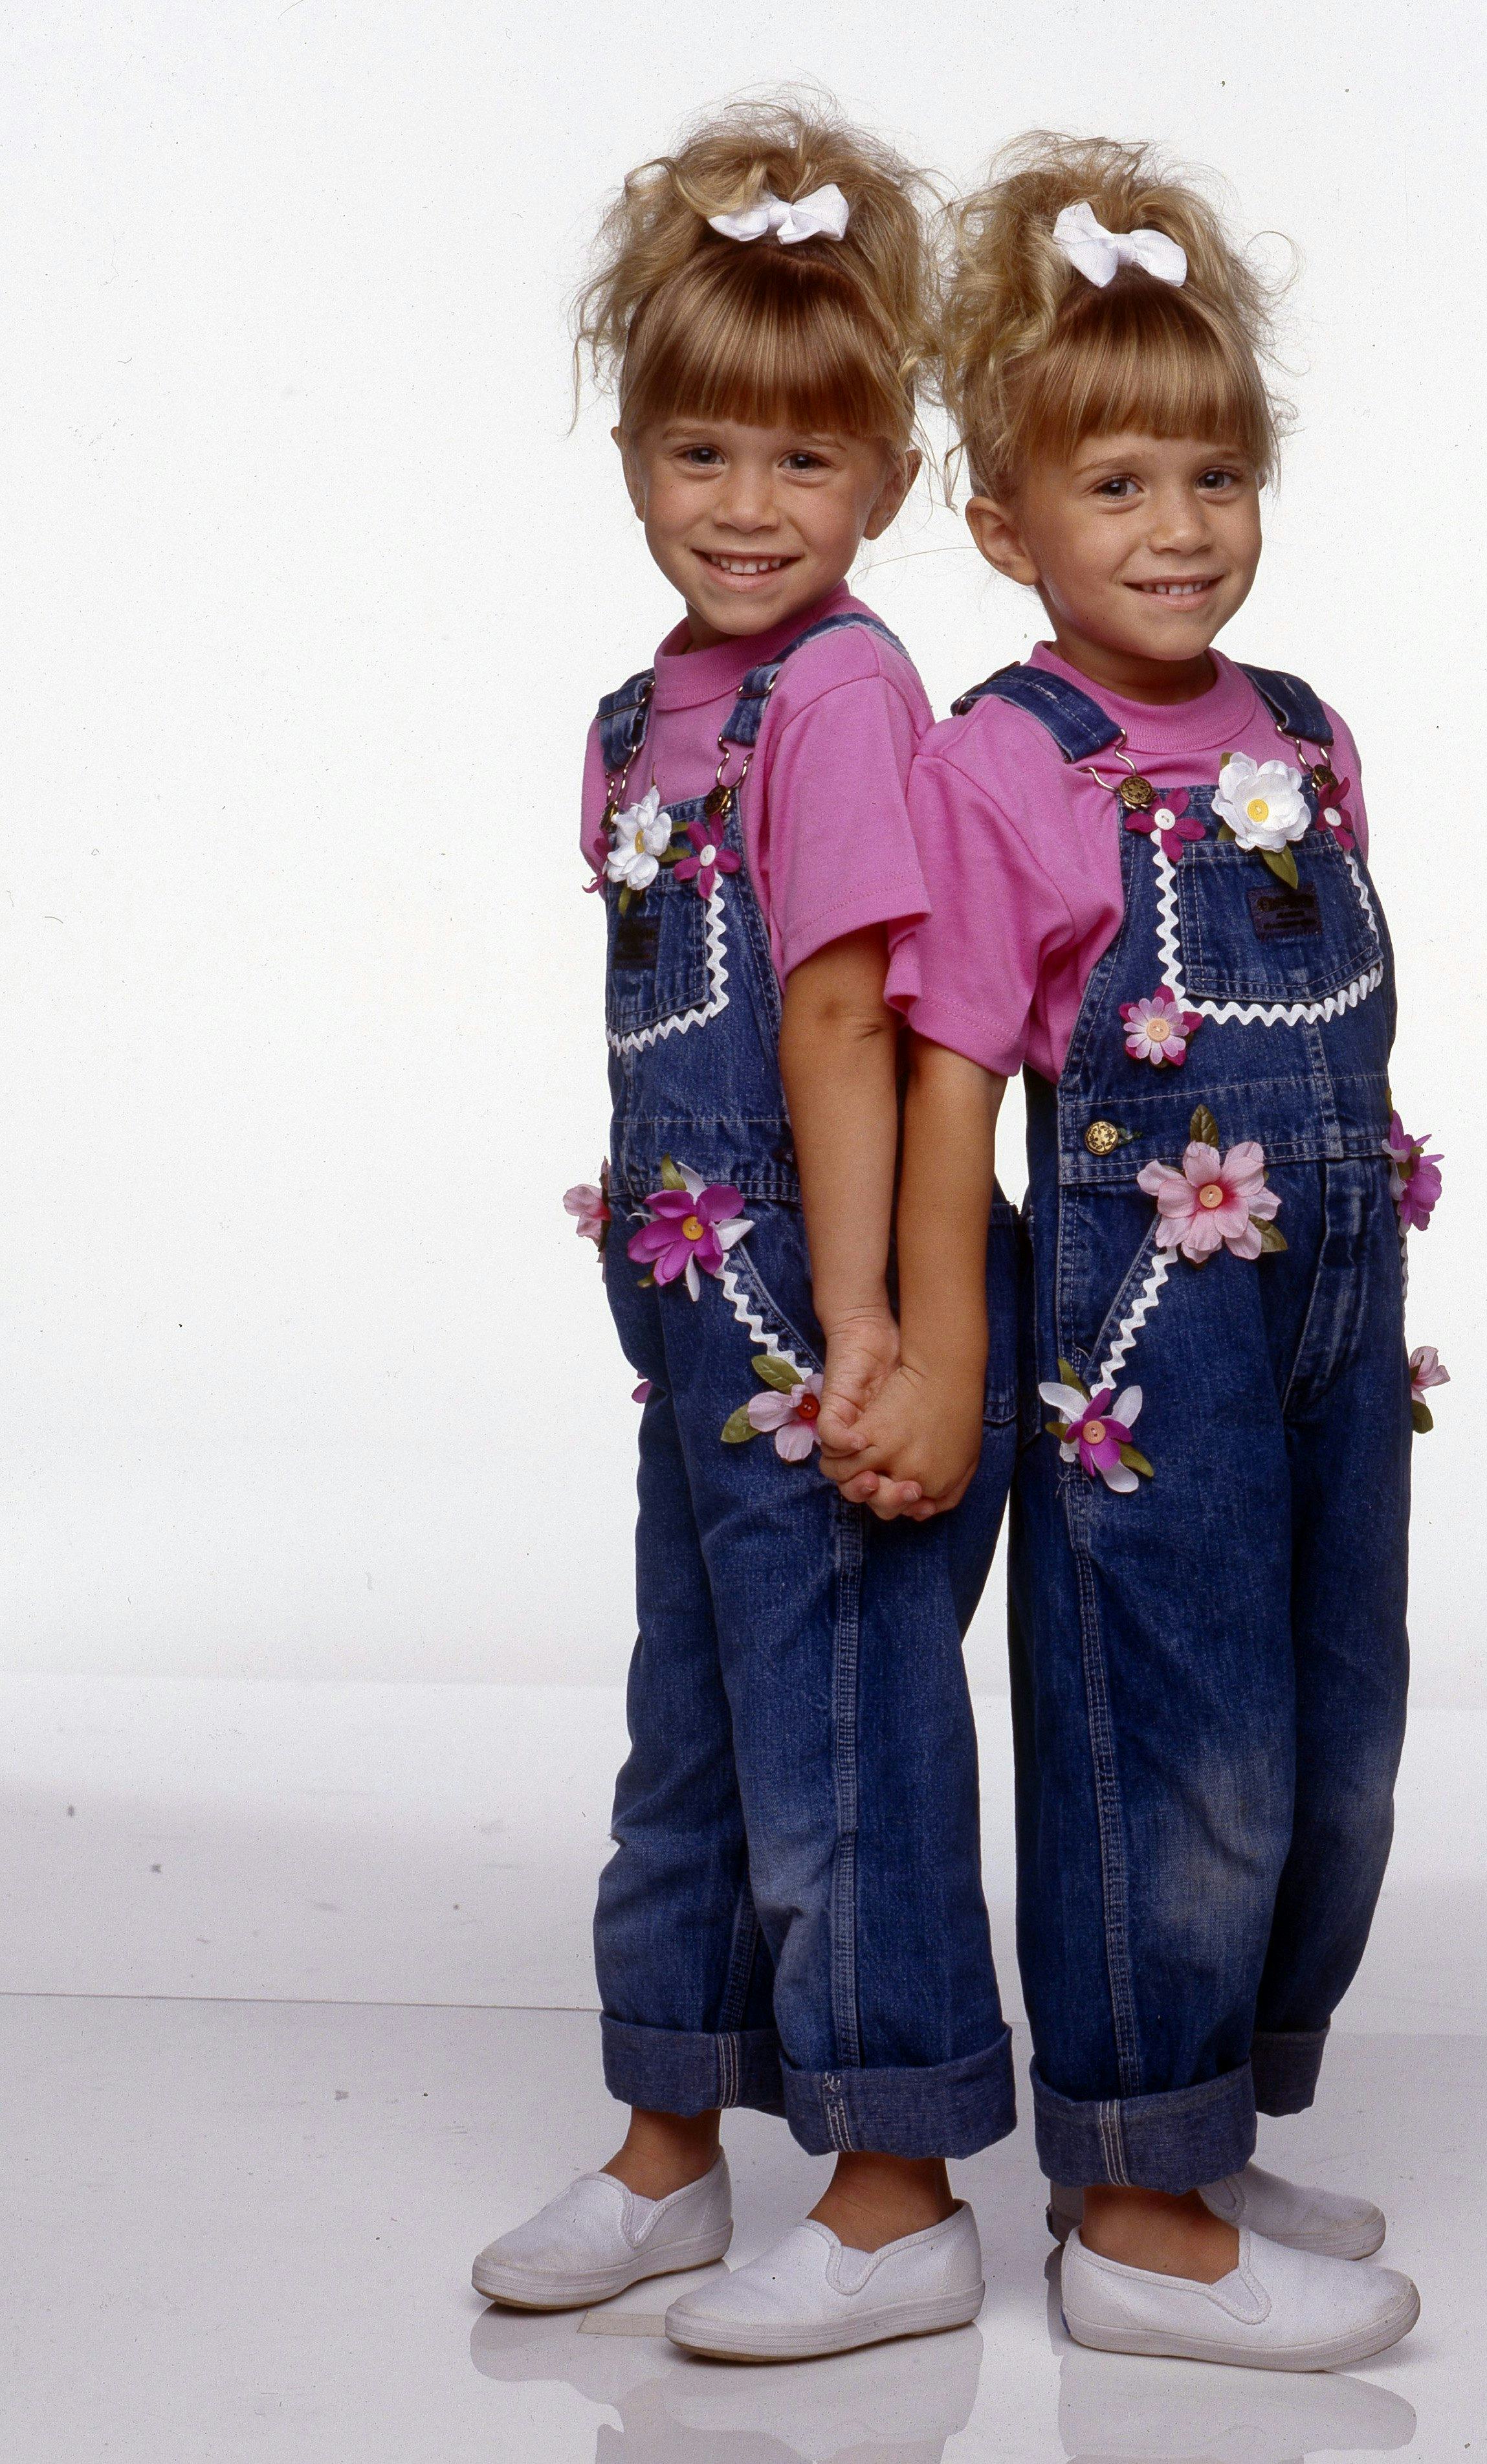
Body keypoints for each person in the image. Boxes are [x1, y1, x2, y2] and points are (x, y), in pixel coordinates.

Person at [828, 133, 1428, 2371]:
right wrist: (958, 1353)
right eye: (1116, 491)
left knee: (1337, 1729)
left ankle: (1195, 2116)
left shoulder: (1308, 737)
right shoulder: (1011, 759)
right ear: (1003, 529)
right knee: (1183, 1740)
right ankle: (1130, 2217)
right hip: (1144, 1320)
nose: (1177, 532)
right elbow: (954, 1092)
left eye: (1214, 478)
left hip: (1332, 1304)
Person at [471, 100, 1019, 2363]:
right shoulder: (642, 712)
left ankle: (893, 2186)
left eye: (805, 464)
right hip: (708, 1321)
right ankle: (673, 2141)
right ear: (630, 459)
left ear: (888, 477)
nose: (749, 507)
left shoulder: (845, 698)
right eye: (702, 453)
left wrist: (873, 1318)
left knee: (846, 1734)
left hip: (834, 1290)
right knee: (692, 1723)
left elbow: (844, 1016)